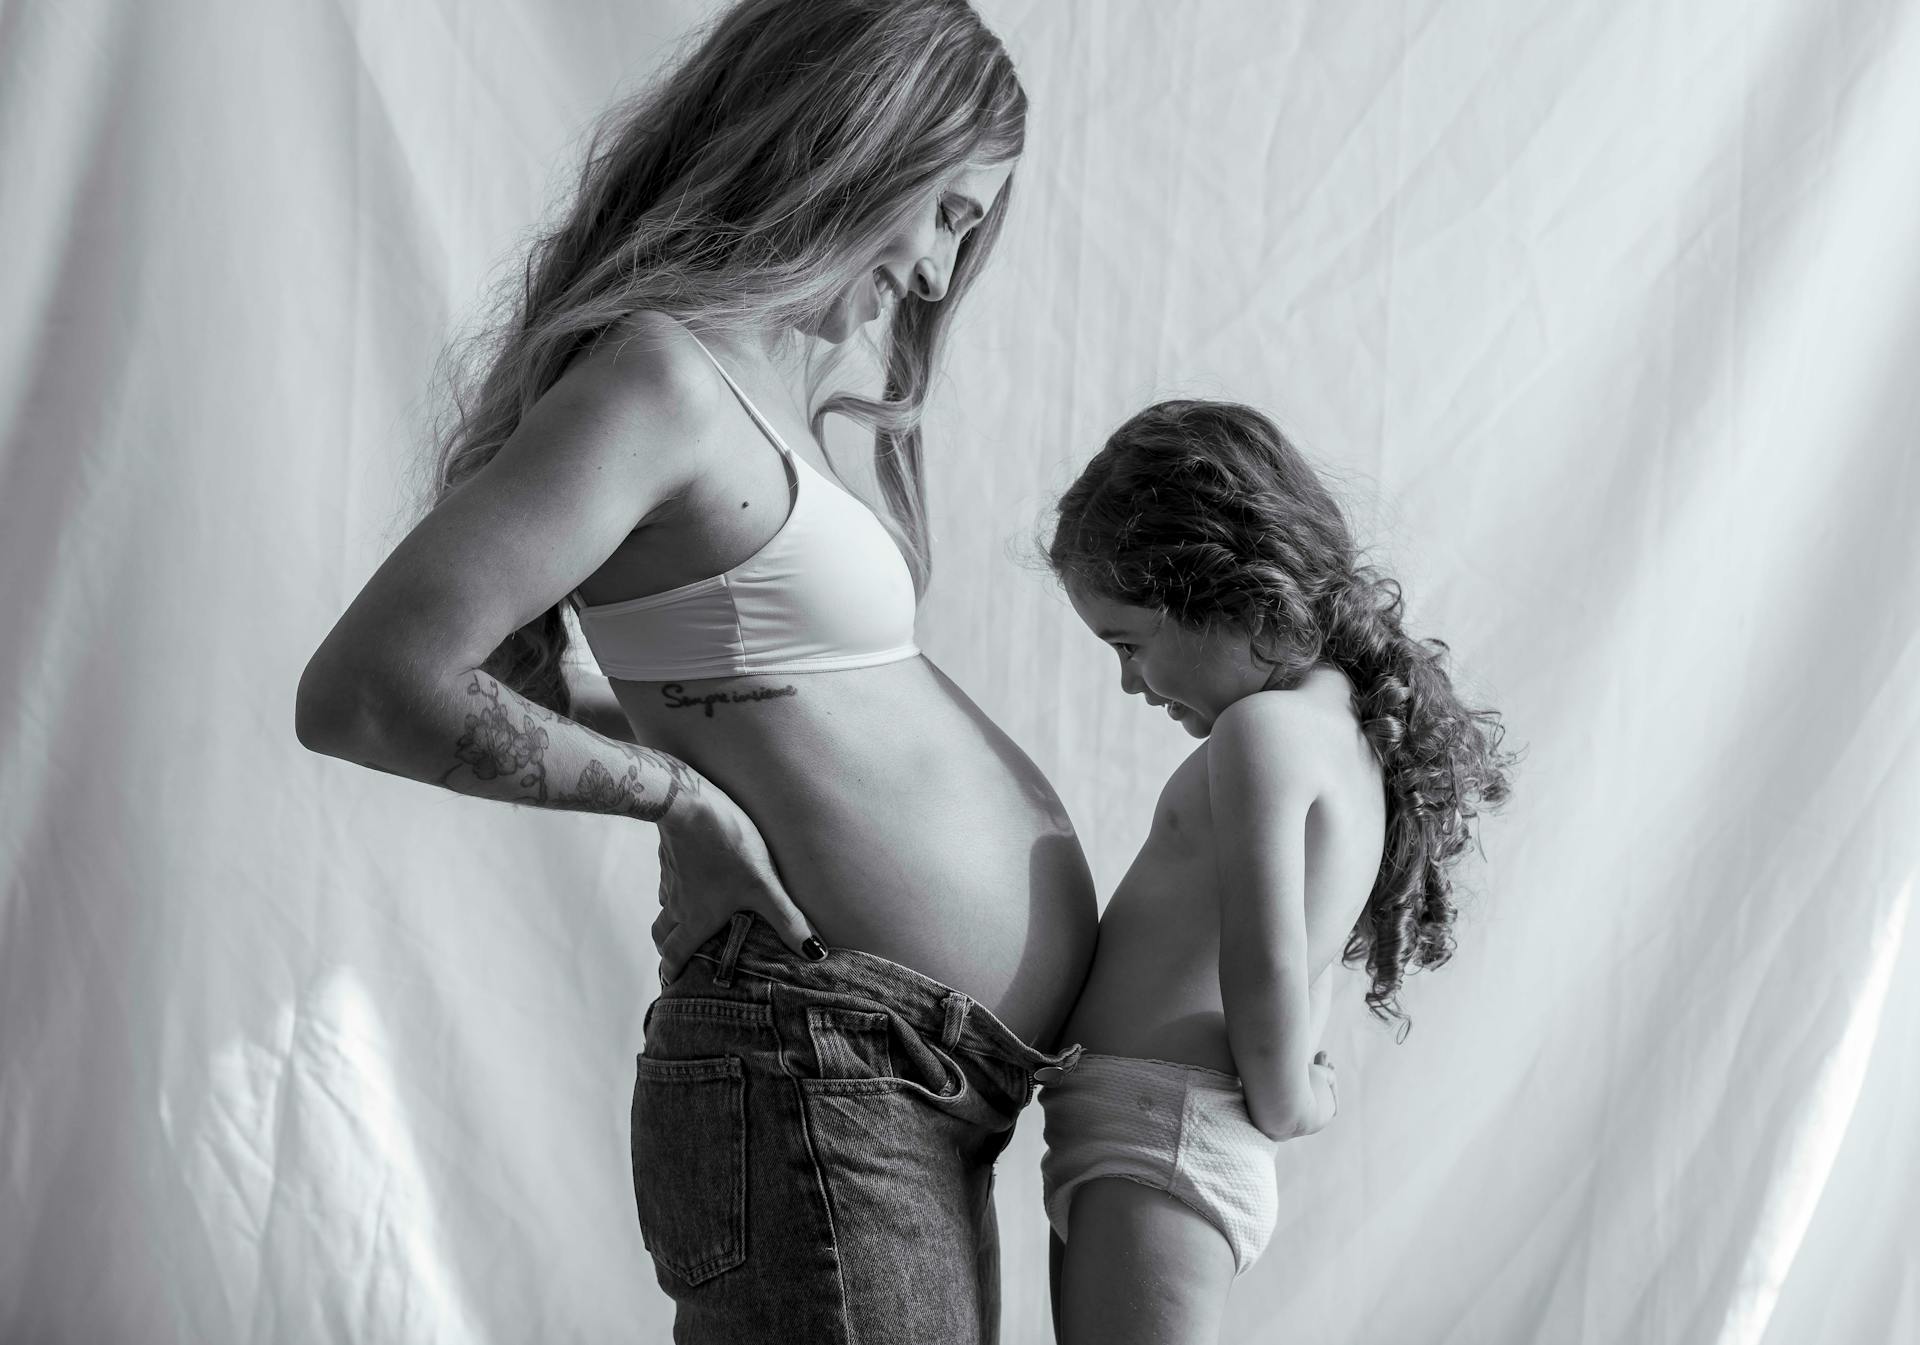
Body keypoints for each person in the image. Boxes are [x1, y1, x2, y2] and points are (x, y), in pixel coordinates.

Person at [294, 2, 1098, 1339]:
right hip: (819, 1069)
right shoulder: (665, 377)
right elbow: (372, 684)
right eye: (949, 212)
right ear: (861, 139)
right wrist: (686, 803)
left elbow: (613, 688)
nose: (947, 273)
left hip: (885, 1076)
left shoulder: (771, 382)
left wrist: (686, 759)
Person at [1039, 400, 1514, 1343]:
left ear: (1225, 592)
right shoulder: (1329, 729)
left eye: (1129, 644)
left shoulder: (1267, 732)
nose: (1131, 683)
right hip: (1141, 1129)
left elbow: (1265, 964)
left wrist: (1293, 1098)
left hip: (1162, 1133)